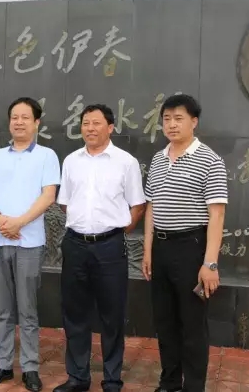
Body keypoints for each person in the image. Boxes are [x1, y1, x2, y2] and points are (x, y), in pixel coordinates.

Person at [54, 104, 146, 392]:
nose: (90, 128)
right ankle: (78, 377)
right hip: (75, 244)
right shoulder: (71, 161)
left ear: (110, 127)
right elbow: (65, 203)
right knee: (75, 313)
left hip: (110, 247)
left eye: (96, 123)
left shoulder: (126, 162)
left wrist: (113, 231)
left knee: (112, 315)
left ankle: (112, 378)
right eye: (85, 123)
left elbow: (138, 205)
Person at [141, 94, 228, 392]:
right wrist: (148, 250)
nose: (172, 124)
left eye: (178, 118)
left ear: (194, 121)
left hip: (191, 248)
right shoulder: (158, 158)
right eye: (167, 119)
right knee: (164, 321)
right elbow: (151, 207)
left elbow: (217, 215)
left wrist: (210, 263)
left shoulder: (210, 160)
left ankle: (193, 386)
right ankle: (169, 383)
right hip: (162, 248)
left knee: (192, 324)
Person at [0, 97, 61, 392]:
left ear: (37, 123)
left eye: (26, 117)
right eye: (15, 117)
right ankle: (2, 364)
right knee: (2, 309)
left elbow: (48, 196)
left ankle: (30, 367)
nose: (19, 122)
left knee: (27, 309)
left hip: (29, 243)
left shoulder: (47, 156)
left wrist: (19, 223)